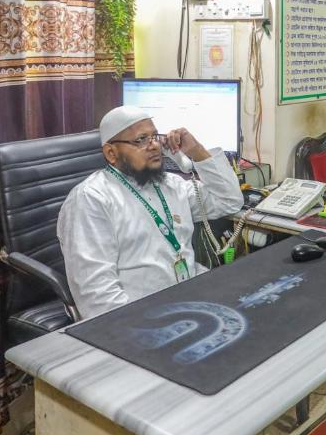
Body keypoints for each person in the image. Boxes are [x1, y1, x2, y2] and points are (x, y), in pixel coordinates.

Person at [58, 106, 244, 319]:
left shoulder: (171, 185)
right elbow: (97, 296)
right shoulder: (91, 199)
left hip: (190, 298)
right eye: (141, 140)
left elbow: (230, 201)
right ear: (111, 153)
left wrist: (196, 151)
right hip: (143, 315)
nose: (154, 145)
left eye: (155, 136)